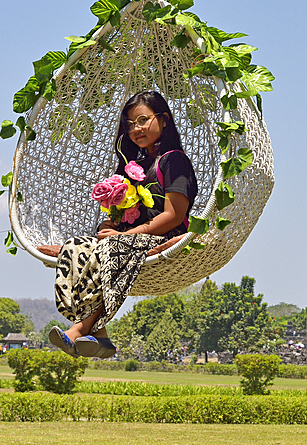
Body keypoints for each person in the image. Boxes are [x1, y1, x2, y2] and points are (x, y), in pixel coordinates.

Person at [49, 91, 198, 359]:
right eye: (130, 124)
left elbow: (174, 216)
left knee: (114, 246)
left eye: (142, 120)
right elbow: (121, 216)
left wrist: (123, 234)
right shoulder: (132, 168)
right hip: (130, 238)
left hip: (167, 237)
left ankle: (79, 330)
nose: (136, 129)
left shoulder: (174, 161)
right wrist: (110, 225)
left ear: (163, 120)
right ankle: (101, 335)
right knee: (75, 246)